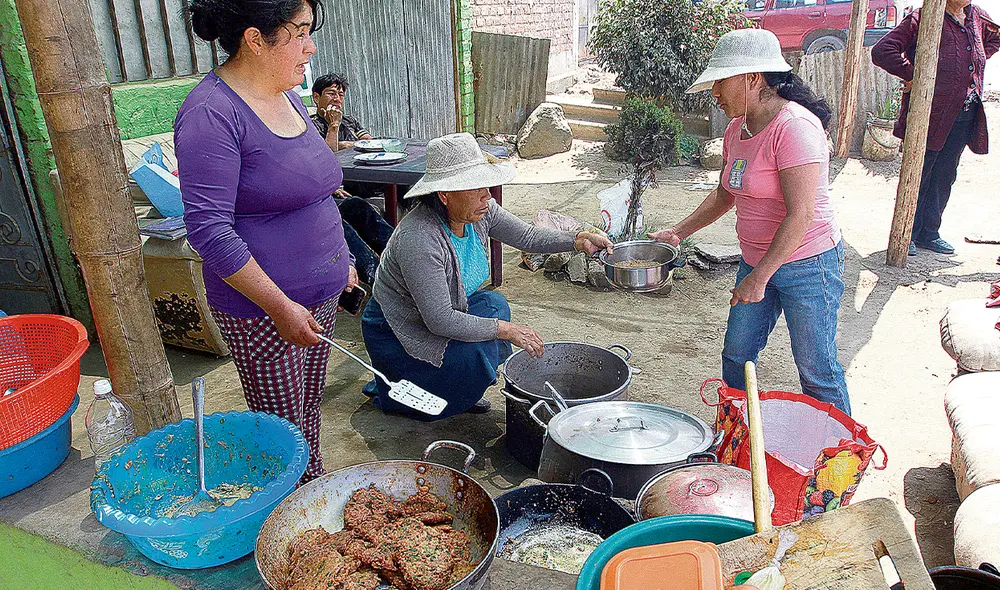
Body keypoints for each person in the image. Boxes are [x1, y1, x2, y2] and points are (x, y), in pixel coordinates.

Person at [177, 0, 357, 482]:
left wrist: (343, 261)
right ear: (256, 39)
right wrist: (279, 306)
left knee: (308, 410)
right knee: (284, 428)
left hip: (320, 296)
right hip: (264, 312)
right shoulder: (211, 113)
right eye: (299, 33)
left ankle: (311, 487)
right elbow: (209, 231)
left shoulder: (288, 96)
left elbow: (314, 191)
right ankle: (295, 516)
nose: (310, 46)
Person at [651, 29, 851, 415]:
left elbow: (801, 215)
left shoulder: (795, 128)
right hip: (756, 260)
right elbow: (726, 193)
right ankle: (739, 436)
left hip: (810, 264)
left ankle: (842, 462)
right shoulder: (735, 129)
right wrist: (679, 231)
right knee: (737, 356)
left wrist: (760, 277)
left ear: (752, 78)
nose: (715, 94)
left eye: (721, 82)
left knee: (816, 370)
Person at [361, 133, 613, 420]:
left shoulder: (481, 212)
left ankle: (460, 389)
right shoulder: (419, 238)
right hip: (398, 331)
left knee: (495, 306)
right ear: (444, 195)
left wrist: (578, 240)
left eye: (486, 185)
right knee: (476, 354)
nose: (488, 196)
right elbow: (440, 319)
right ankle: (401, 391)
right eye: (476, 188)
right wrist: (507, 330)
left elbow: (527, 236)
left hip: (440, 314)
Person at [873, 0, 1000, 256]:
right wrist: (913, 75)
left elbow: (996, 37)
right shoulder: (923, 18)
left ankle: (929, 233)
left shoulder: (976, 16)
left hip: (965, 113)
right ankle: (906, 233)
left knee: (944, 175)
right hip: (928, 114)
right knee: (920, 173)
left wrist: (974, 59)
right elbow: (882, 50)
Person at [310, 73, 372, 151]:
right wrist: (333, 125)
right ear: (316, 98)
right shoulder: (311, 125)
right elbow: (325, 153)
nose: (337, 99)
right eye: (331, 94)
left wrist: (346, 145)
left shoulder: (349, 120)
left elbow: (369, 142)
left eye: (341, 95)